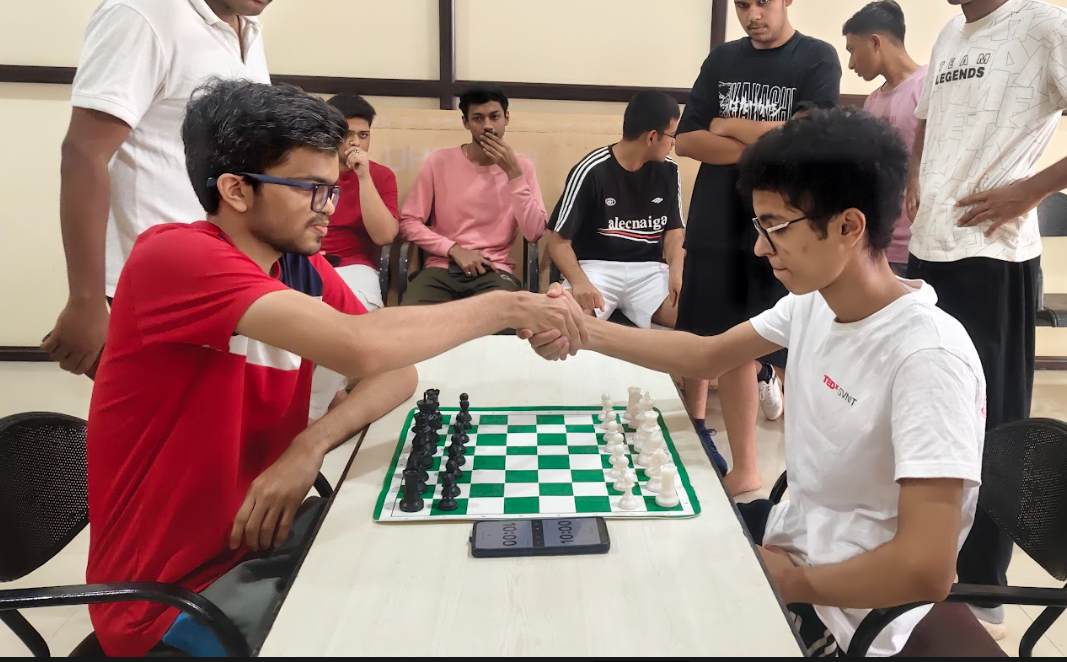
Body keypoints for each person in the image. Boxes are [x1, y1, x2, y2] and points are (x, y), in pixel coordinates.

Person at [86, 79, 587, 657]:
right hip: (167, 603)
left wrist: (310, 445)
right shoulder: (175, 257)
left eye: (331, 189)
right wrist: (507, 305)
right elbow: (360, 348)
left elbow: (396, 372)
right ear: (236, 190)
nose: (329, 208)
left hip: (257, 550)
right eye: (311, 190)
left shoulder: (298, 267)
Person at [522, 108, 985, 657]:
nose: (762, 247)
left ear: (848, 227)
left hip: (847, 612)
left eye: (777, 227)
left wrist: (792, 585)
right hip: (792, 543)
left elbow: (928, 569)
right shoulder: (815, 302)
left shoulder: (927, 357)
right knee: (621, 556)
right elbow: (706, 355)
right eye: (759, 227)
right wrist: (583, 331)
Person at [906, 0, 1067, 637]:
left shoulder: (1045, 24)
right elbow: (926, 122)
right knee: (927, 411)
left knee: (993, 422)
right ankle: (924, 560)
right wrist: (916, 177)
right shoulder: (950, 32)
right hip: (930, 250)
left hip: (993, 256)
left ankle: (984, 587)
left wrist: (1032, 190)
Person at [42, 0, 274, 376]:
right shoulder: (141, 14)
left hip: (222, 274)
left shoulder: (244, 25)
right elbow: (84, 152)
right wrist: (85, 301)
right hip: (153, 285)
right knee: (160, 413)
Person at [673, 0, 841, 492]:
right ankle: (739, 462)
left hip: (787, 223)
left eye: (762, 2)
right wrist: (770, 140)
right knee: (722, 342)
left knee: (795, 347)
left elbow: (807, 138)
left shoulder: (817, 57)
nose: (752, 14)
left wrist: (728, 126)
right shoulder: (722, 59)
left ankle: (808, 472)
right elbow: (687, 141)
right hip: (716, 223)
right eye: (742, 4)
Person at [398, 84, 547, 304]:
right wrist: (452, 249)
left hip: (494, 269)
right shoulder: (438, 162)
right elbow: (408, 222)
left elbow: (534, 233)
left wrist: (514, 174)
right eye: (478, 118)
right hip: (442, 267)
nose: (487, 126)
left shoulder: (522, 167)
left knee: (502, 318)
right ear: (465, 122)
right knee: (411, 318)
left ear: (506, 118)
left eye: (494, 116)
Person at [548, 90, 684, 329]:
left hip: (649, 273)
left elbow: (674, 232)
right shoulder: (591, 170)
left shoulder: (669, 170)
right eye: (672, 135)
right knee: (561, 320)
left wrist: (677, 271)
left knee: (695, 316)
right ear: (652, 137)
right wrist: (579, 283)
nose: (674, 143)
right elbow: (558, 242)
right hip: (595, 270)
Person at [310, 93, 400, 420]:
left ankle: (313, 414)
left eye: (364, 135)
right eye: (347, 134)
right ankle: (333, 402)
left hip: (355, 267)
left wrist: (363, 177)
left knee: (350, 323)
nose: (356, 142)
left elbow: (385, 236)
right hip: (308, 262)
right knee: (300, 321)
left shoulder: (381, 176)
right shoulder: (310, 171)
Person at [843, 0, 927, 276]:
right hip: (878, 246)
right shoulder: (872, 101)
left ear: (875, 42)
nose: (851, 63)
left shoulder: (927, 87)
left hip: (919, 245)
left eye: (852, 50)